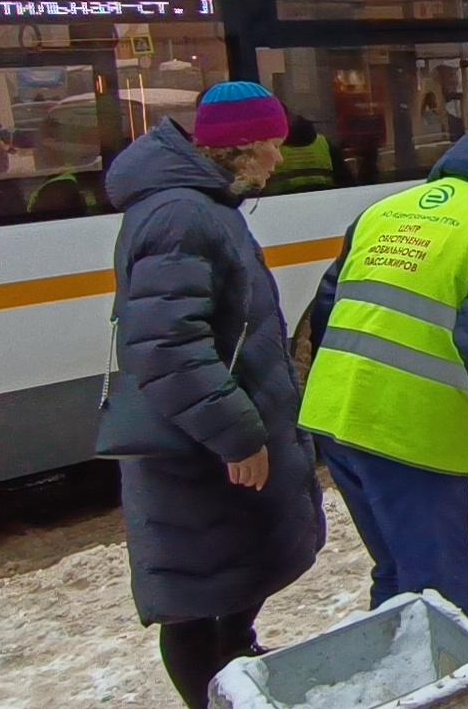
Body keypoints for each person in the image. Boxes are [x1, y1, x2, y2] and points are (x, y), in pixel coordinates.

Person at [104, 82, 324, 709]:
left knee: (228, 575)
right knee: (197, 596)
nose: (279, 162)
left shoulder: (202, 205)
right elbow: (167, 344)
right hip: (195, 446)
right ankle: (215, 696)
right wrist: (237, 434)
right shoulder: (183, 214)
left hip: (200, 435)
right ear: (243, 147)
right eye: (273, 147)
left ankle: (235, 666)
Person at [301, 118, 468, 617]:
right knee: (436, 597)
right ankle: (439, 689)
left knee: (395, 570)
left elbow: (326, 307)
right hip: (411, 429)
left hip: (335, 415)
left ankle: (393, 681)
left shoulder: (386, 208)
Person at [266, 115, 347, 194]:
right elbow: (347, 184)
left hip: (280, 204)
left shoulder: (267, 150)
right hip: (326, 202)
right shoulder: (324, 143)